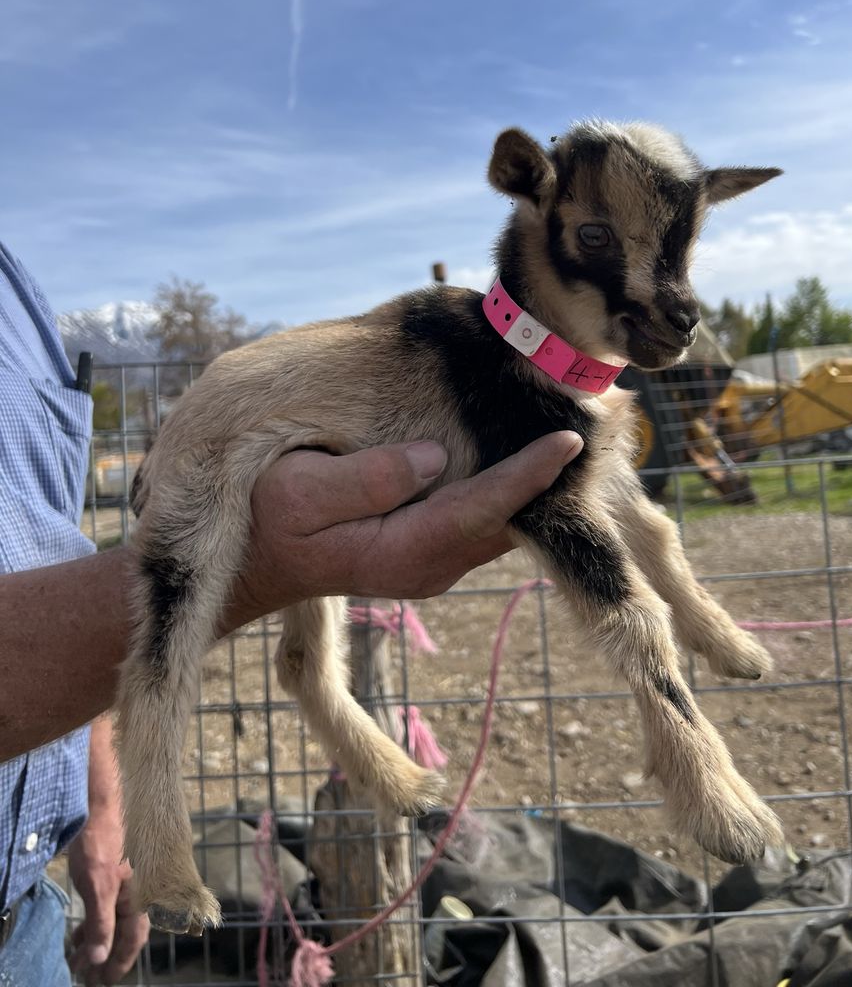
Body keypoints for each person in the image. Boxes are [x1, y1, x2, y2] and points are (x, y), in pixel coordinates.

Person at [0, 240, 582, 986]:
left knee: (292, 612)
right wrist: (264, 565)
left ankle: (358, 759)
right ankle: (168, 847)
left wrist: (99, 806)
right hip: (215, 448)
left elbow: (40, 549)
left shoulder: (19, 296)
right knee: (174, 628)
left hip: (28, 912)